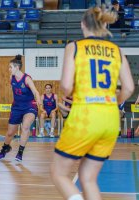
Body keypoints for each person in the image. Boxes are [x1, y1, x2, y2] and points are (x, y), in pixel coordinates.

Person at [50, 6, 134, 200]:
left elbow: (65, 86)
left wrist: (70, 94)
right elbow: (128, 88)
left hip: (85, 117)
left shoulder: (75, 47)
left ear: (82, 25)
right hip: (110, 120)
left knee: (59, 174)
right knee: (88, 179)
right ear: (104, 24)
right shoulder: (117, 50)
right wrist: (114, 104)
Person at [0, 55, 40, 162]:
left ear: (17, 68)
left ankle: (20, 152)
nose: (9, 69)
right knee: (10, 133)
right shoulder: (11, 78)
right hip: (16, 107)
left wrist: (38, 100)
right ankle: (5, 148)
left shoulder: (27, 79)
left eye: (10, 67)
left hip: (30, 106)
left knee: (25, 127)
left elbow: (35, 91)